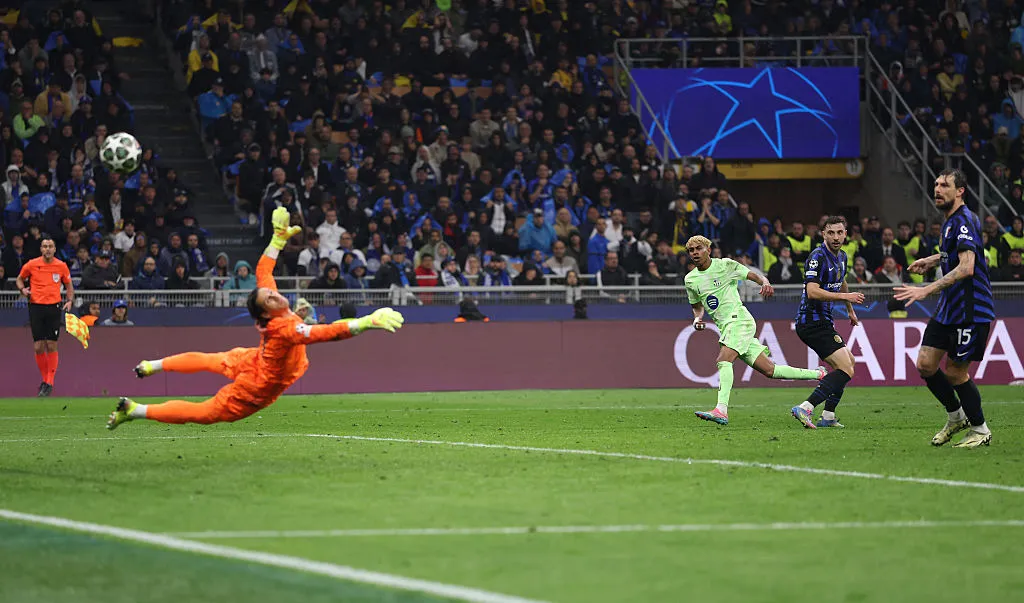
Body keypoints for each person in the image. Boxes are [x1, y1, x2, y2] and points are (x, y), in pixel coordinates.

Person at [107, 207, 405, 430]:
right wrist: (367, 321)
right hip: (259, 384)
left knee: (212, 360)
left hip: (256, 359)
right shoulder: (285, 328)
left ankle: (151, 365)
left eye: (271, 294)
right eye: (269, 299)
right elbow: (325, 333)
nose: (275, 296)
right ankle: (135, 410)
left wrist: (277, 240)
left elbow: (264, 269)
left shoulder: (273, 304)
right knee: (205, 413)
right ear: (266, 312)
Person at [894, 169, 996, 448]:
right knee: (926, 365)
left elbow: (967, 267)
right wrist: (932, 259)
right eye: (936, 184)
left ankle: (980, 429)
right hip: (950, 308)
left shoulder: (964, 220)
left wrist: (926, 288)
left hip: (970, 310)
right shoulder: (951, 221)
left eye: (945, 185)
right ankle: (955, 417)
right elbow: (954, 254)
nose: (937, 189)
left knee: (954, 373)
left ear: (960, 191)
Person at [684, 235, 826, 426]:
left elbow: (751, 275)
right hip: (727, 326)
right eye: (691, 251)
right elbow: (697, 304)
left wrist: (765, 282)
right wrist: (697, 318)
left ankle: (721, 410)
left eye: (698, 249)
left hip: (739, 320)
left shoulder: (725, 265)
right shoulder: (690, 280)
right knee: (770, 370)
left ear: (708, 250)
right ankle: (819, 375)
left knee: (723, 360)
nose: (695, 253)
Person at [790, 216, 865, 429]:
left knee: (849, 363)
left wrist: (850, 311)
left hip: (824, 321)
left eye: (839, 232)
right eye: (831, 233)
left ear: (845, 234)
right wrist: (846, 299)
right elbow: (812, 291)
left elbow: (841, 281)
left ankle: (829, 416)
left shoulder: (842, 257)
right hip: (811, 322)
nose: (835, 237)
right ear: (823, 234)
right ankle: (806, 407)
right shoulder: (817, 256)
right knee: (846, 368)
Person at [15, 237, 74, 396]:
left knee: (52, 344)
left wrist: (69, 301)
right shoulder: (32, 264)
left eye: (50, 246)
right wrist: (23, 290)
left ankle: (49, 382)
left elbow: (68, 285)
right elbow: (19, 279)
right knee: (38, 346)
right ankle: (45, 380)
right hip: (36, 307)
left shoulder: (61, 266)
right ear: (41, 249)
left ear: (55, 249)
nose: (47, 249)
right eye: (45, 246)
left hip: (54, 307)